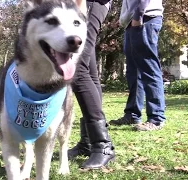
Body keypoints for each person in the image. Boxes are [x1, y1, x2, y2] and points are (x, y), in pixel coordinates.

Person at [68, 0, 115, 169]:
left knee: (77, 67)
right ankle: (88, 141)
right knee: (88, 71)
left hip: (88, 3)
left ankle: (102, 145)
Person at [109, 0, 166, 131]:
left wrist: (138, 15)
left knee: (149, 68)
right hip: (132, 21)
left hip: (145, 18)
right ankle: (132, 114)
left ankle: (156, 118)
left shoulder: (141, 16)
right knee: (133, 72)